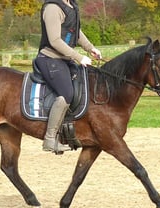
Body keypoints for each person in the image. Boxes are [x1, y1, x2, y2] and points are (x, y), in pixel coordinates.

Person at [35, 0, 102, 153]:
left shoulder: (71, 5)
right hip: (49, 59)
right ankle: (50, 139)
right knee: (67, 93)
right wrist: (79, 57)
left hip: (64, 60)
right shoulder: (53, 8)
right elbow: (55, 40)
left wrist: (90, 48)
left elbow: (75, 31)